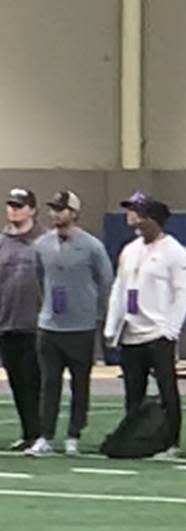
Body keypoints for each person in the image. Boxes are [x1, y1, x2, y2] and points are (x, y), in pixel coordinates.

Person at [103, 200, 186, 458]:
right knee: (133, 391)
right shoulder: (130, 250)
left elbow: (183, 292)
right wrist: (112, 326)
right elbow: (119, 289)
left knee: (167, 389)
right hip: (130, 331)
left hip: (158, 333)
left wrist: (170, 329)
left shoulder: (174, 251)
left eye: (138, 214)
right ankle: (134, 438)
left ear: (153, 220)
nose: (132, 219)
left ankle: (171, 442)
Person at [25, 191, 113, 457]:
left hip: (81, 327)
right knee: (49, 382)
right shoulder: (42, 245)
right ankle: (45, 435)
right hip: (50, 326)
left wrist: (97, 315)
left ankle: (74, 433)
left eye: (61, 209)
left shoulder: (92, 246)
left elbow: (105, 280)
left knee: (79, 383)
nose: (56, 214)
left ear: (74, 213)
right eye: (53, 209)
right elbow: (40, 279)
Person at [0, 188, 44, 451]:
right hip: (7, 324)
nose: (14, 209)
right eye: (11, 205)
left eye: (20, 205)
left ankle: (41, 433)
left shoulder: (44, 241)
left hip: (36, 324)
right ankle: (28, 432)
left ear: (32, 209)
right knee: (17, 382)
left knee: (36, 380)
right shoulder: (2, 242)